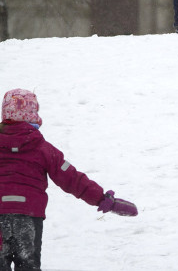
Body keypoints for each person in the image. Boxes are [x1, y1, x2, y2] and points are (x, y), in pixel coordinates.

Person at [0, 89, 137, 270]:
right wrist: (103, 200)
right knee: (27, 265)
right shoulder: (44, 149)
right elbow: (71, 178)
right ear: (32, 116)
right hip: (28, 218)